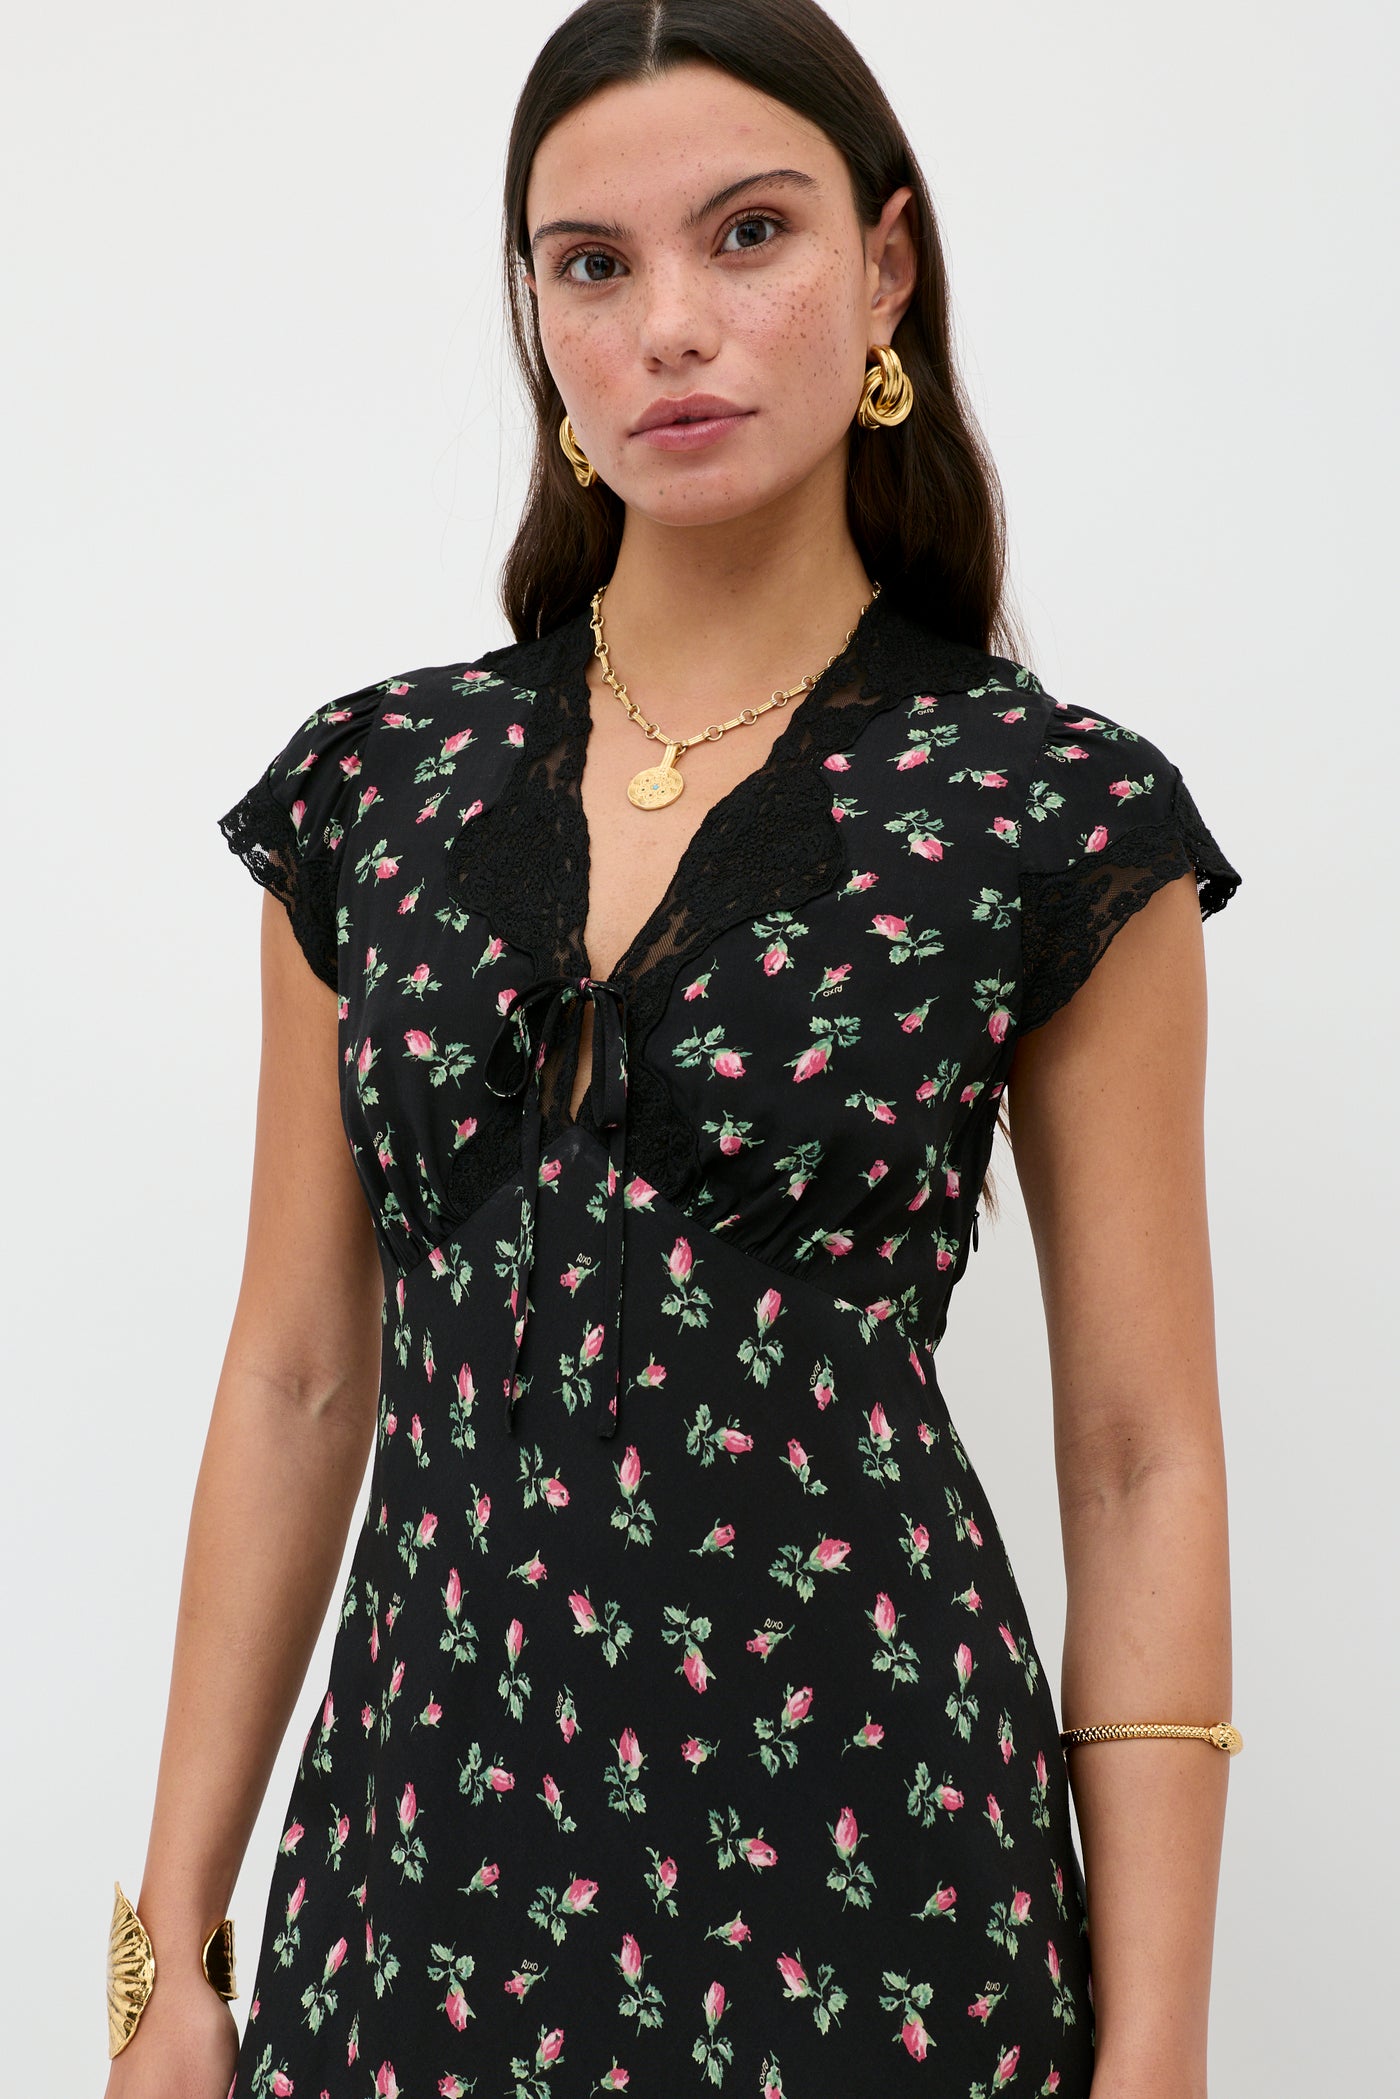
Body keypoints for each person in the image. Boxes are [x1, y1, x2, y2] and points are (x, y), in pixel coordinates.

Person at [104, 3, 1245, 2093]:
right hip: (416, 1893)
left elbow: (1140, 1456)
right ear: (534, 312)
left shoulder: (1046, 813)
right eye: (591, 264)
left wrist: (1155, 2043)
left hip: (877, 1893)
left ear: (886, 269)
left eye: (749, 235)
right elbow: (290, 1377)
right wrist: (166, 1952)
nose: (668, 329)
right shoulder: (378, 790)